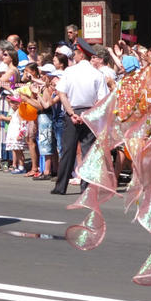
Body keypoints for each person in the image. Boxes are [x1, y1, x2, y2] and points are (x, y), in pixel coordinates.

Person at [51, 37, 108, 195]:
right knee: (88, 151)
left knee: (68, 150)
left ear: (81, 55)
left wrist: (71, 113)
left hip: (72, 112)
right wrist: (86, 115)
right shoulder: (98, 74)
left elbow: (62, 94)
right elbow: (103, 99)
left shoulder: (70, 72)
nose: (74, 56)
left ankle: (60, 186)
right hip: (89, 113)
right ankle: (87, 187)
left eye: (76, 53)